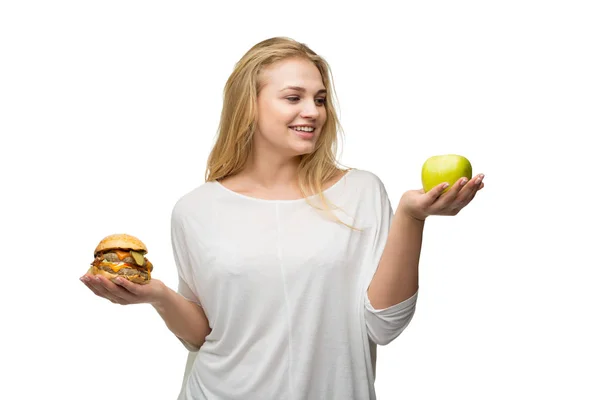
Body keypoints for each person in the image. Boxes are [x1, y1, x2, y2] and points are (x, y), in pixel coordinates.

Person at [80, 36, 484, 400]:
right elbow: (203, 335)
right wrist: (159, 296)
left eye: (320, 99)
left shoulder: (360, 193)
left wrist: (412, 218)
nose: (313, 111)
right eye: (294, 98)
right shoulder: (195, 209)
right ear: (249, 106)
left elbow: (384, 326)